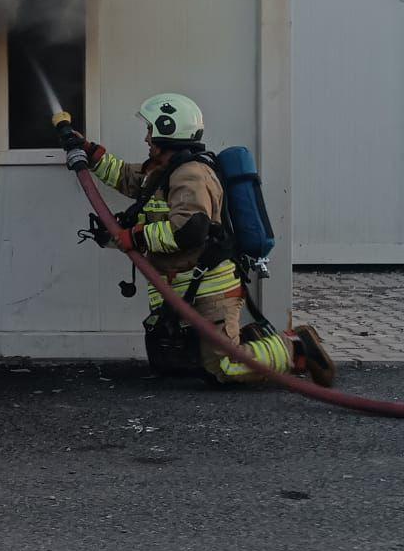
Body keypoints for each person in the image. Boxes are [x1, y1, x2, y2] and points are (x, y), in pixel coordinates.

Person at [60, 93, 335, 387]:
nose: (146, 138)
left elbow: (188, 231)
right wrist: (91, 152)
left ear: (168, 129)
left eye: (150, 130)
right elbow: (128, 178)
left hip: (209, 288)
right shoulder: (165, 170)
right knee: (199, 363)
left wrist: (134, 236)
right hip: (189, 285)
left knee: (225, 367)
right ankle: (252, 341)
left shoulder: (190, 174)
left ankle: (297, 348)